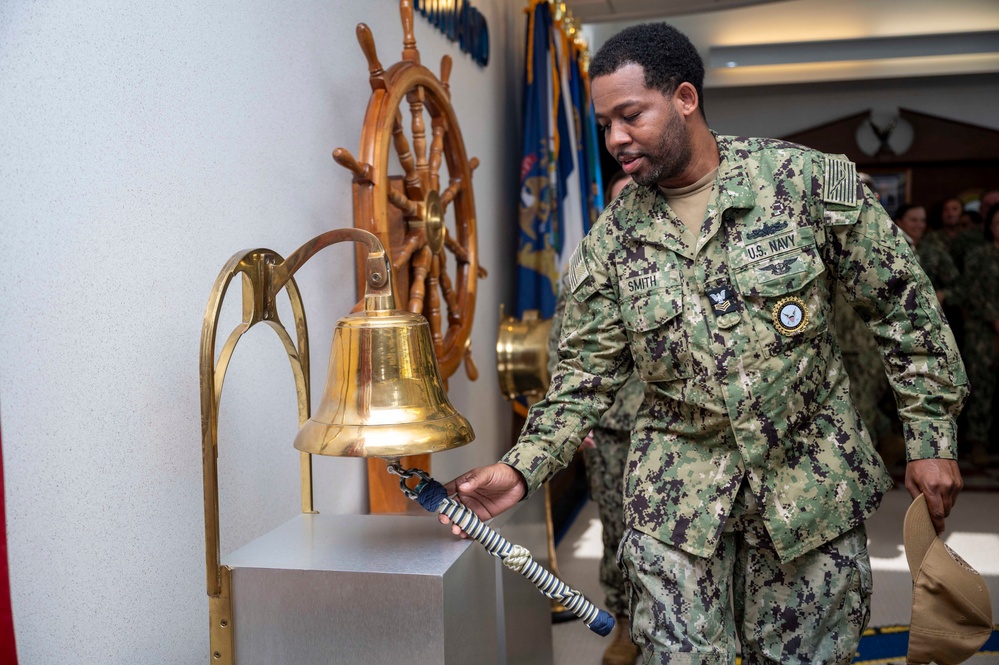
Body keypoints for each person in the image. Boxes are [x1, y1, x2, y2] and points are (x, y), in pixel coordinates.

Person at [443, 23, 967, 663]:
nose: (614, 139)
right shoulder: (609, 246)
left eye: (630, 115)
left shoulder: (803, 184)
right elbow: (580, 384)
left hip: (809, 489)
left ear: (685, 98)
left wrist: (929, 436)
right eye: (605, 122)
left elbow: (904, 307)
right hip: (678, 505)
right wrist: (521, 468)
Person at [549, 170, 641, 665]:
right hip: (609, 425)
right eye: (619, 201)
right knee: (618, 529)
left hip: (680, 427)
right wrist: (572, 421)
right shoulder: (587, 266)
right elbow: (562, 345)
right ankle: (625, 623)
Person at [958, 203, 999, 467]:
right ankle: (978, 442)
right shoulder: (978, 255)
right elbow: (970, 292)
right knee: (982, 385)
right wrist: (994, 318)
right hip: (984, 330)